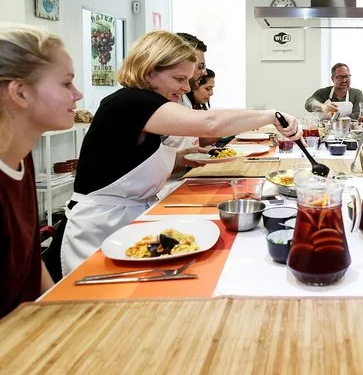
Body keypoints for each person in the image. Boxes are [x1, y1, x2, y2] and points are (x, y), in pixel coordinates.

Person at [60, 30, 300, 275]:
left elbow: (124, 160)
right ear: (149, 71)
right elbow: (209, 123)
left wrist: (179, 157)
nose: (186, 88)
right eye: (178, 79)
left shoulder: (136, 100)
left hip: (122, 216)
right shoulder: (132, 101)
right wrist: (271, 116)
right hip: (100, 223)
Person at [0, 24, 83, 317]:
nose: (78, 94)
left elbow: (30, 263)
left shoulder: (22, 155)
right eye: (66, 84)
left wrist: (58, 315)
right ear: (20, 92)